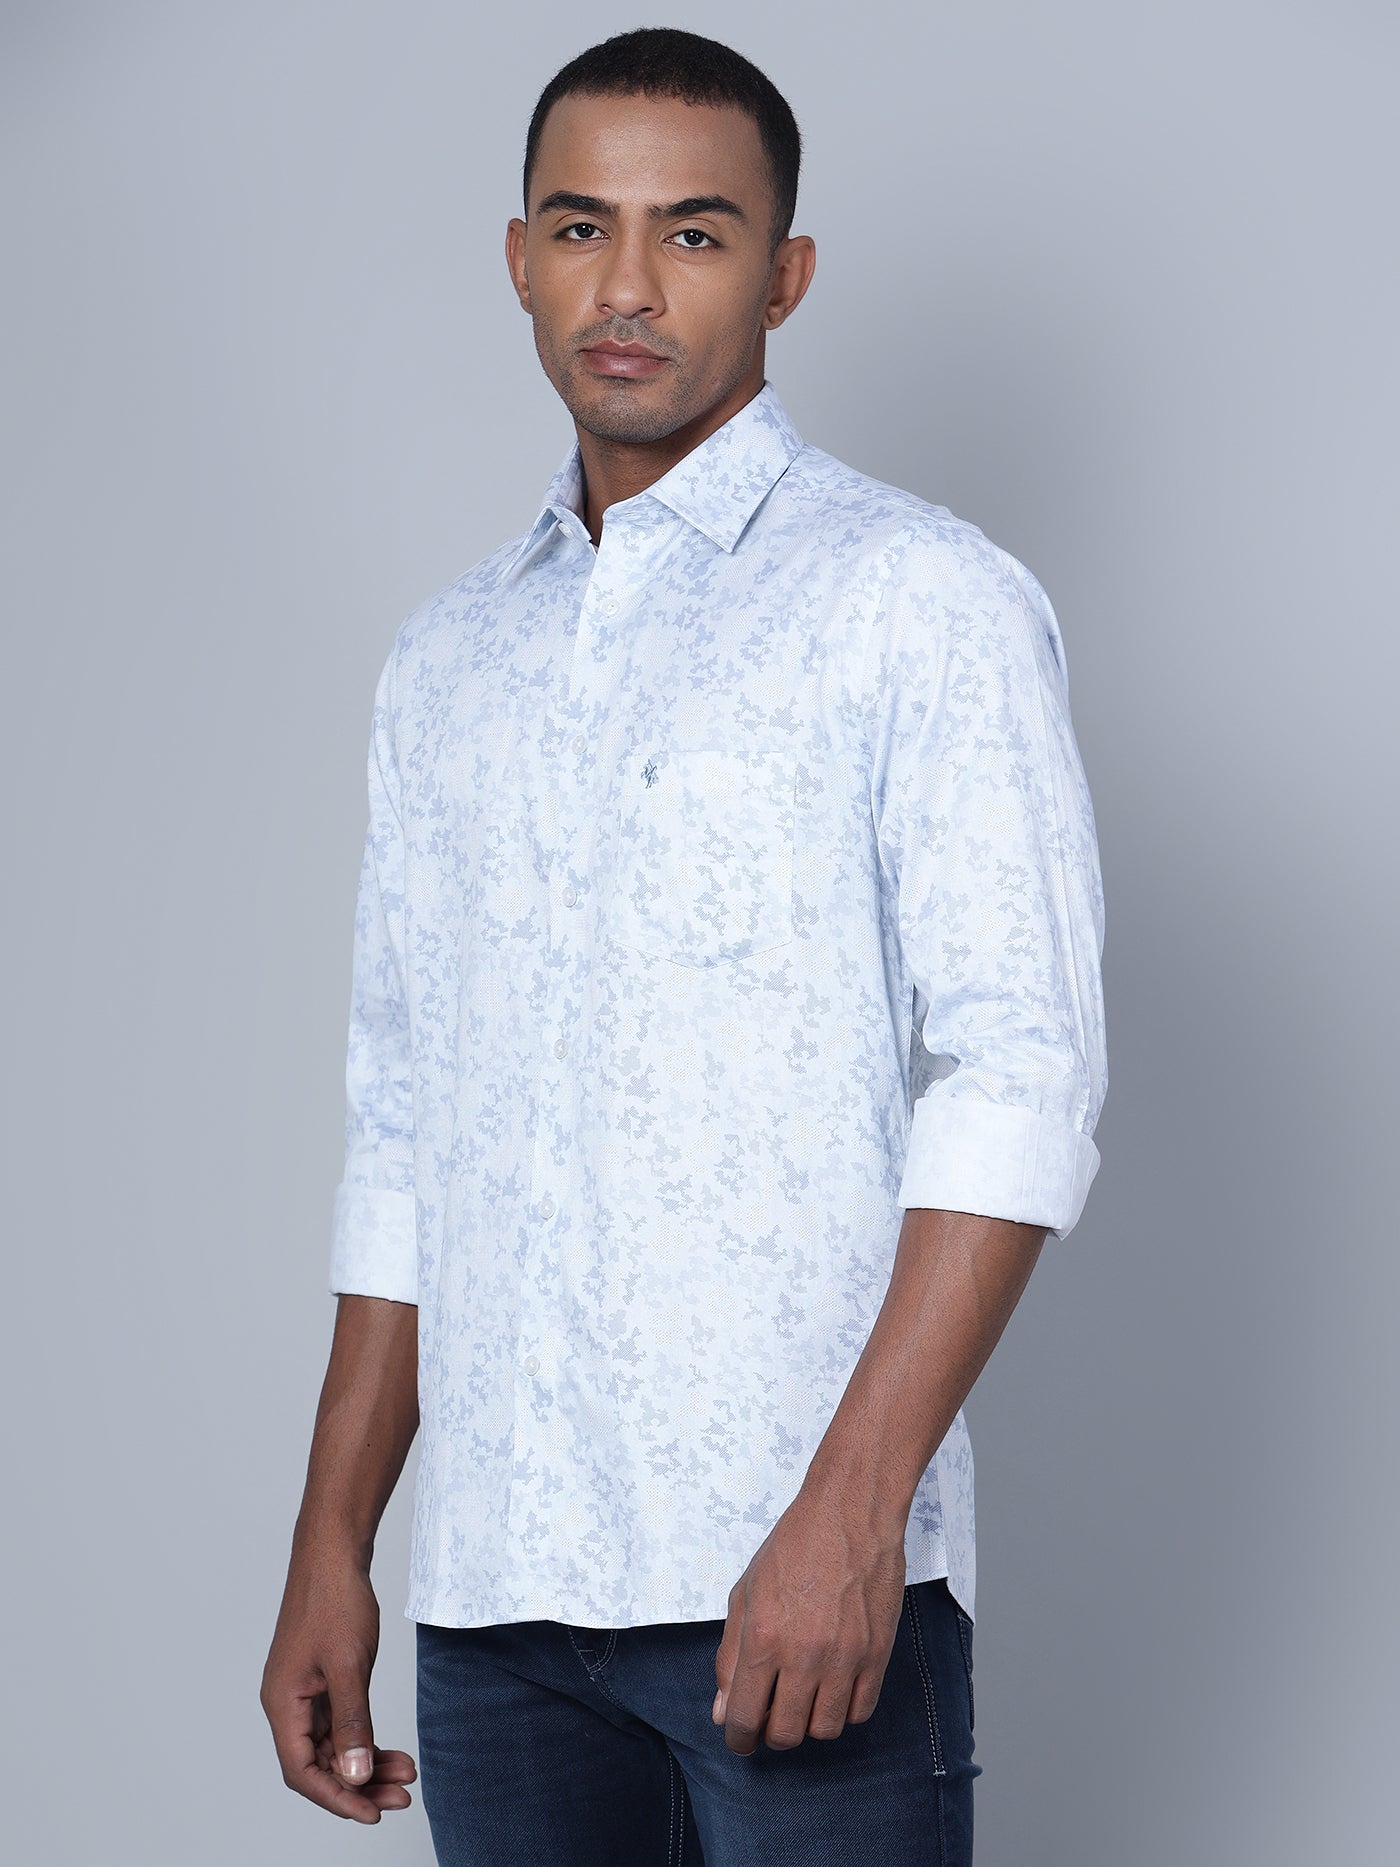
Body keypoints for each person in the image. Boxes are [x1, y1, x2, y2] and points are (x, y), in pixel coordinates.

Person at [260, 25, 1107, 1866]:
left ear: (785, 276)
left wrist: (853, 1515)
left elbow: (1022, 1075)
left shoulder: (918, 598)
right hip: (495, 1611)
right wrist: (336, 1541)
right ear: (520, 259)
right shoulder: (449, 659)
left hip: (792, 1586)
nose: (628, 286)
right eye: (583, 227)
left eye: (695, 234)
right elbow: (407, 1126)